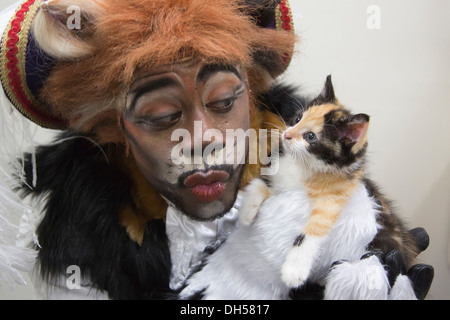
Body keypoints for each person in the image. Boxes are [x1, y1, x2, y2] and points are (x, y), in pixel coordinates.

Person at [0, 0, 433, 299]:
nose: (205, 138)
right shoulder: (85, 235)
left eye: (224, 102)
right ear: (116, 129)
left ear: (251, 95)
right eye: (162, 115)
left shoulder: (318, 172)